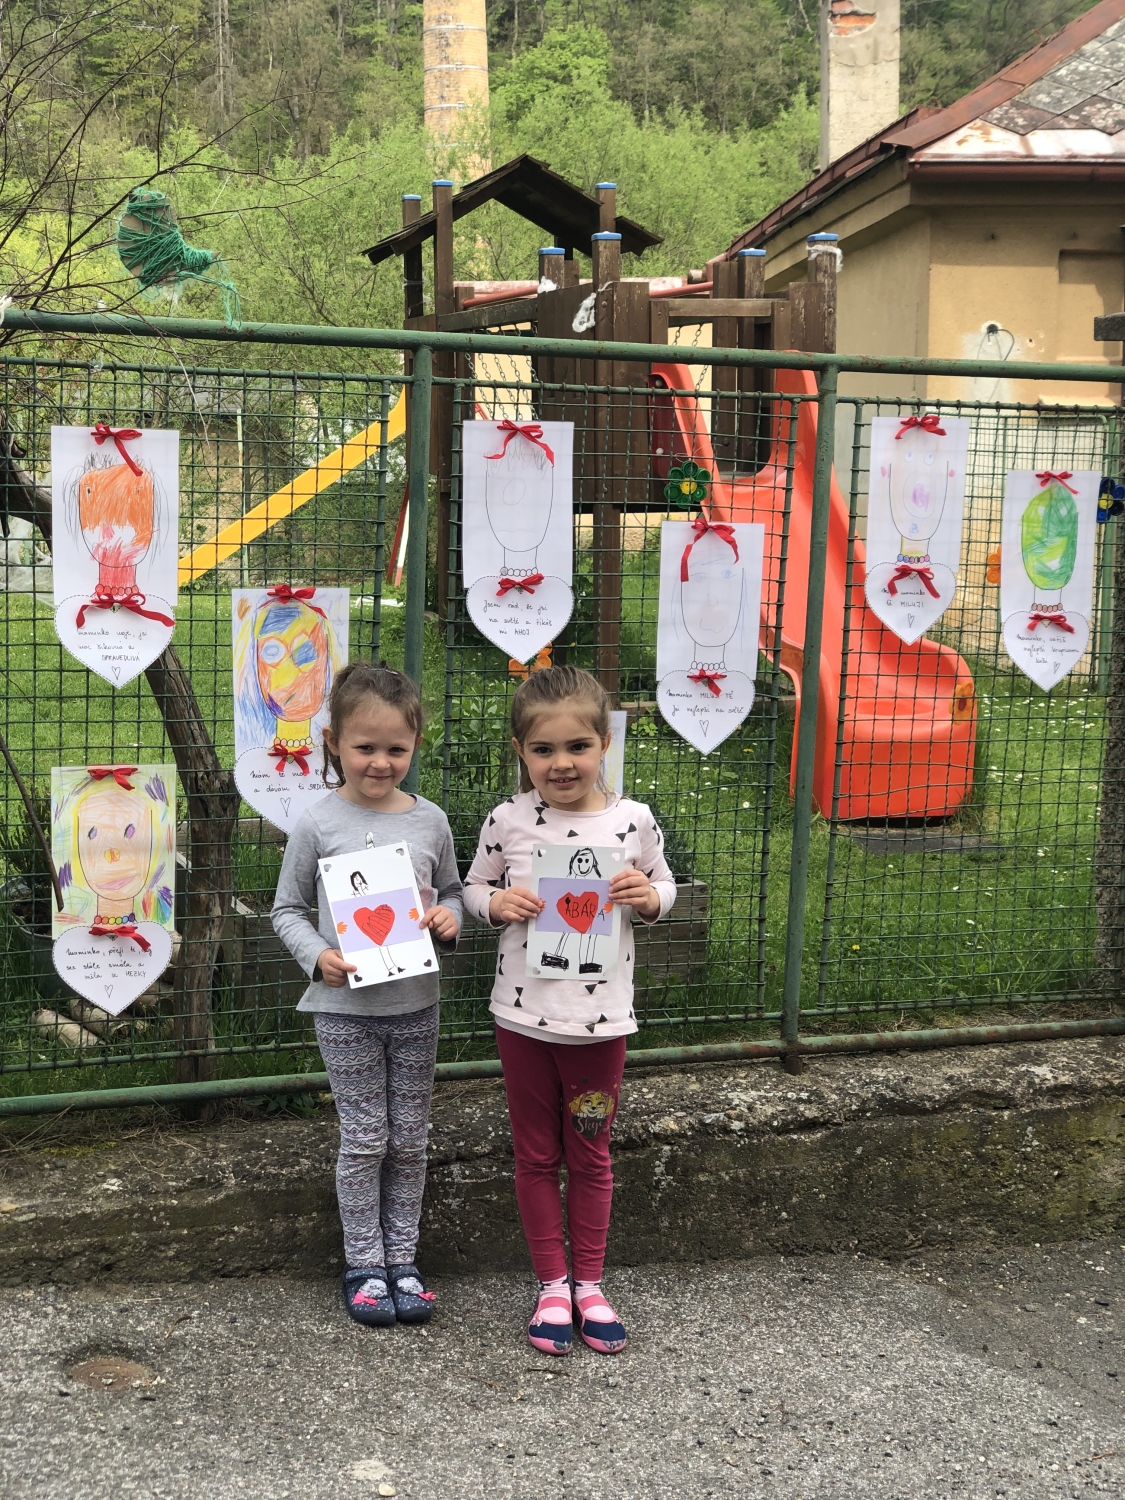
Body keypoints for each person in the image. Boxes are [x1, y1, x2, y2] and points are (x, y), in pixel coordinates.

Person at [463, 665, 676, 1356]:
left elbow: (663, 883)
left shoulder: (632, 820)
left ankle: (590, 1283)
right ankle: (551, 1286)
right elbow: (474, 885)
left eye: (578, 746)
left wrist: (650, 898)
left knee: (590, 1153)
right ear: (520, 751)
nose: (562, 763)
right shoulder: (507, 820)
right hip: (523, 1020)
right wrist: (494, 904)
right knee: (534, 1154)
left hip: (600, 1024)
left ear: (605, 743)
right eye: (543, 749)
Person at [271, 663, 462, 1328]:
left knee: (409, 1140)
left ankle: (403, 1262)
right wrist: (316, 956)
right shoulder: (317, 823)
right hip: (345, 1012)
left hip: (416, 1006)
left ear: (416, 745)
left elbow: (453, 892)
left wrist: (449, 920)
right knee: (364, 1140)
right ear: (332, 742)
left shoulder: (431, 822)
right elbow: (286, 909)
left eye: (396, 749)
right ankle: (364, 1266)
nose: (380, 762)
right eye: (364, 747)